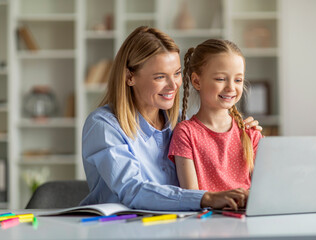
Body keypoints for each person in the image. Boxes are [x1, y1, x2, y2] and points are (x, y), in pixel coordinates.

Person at [80, 26, 262, 211]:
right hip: (117, 227)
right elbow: (132, 191)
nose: (173, 85)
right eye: (160, 77)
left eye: (176, 74)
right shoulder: (103, 125)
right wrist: (205, 198)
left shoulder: (180, 126)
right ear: (130, 77)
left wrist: (241, 132)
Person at [168, 39, 263, 202]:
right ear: (197, 81)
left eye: (238, 80)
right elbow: (190, 196)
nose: (231, 88)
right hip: (205, 221)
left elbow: (265, 191)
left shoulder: (250, 133)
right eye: (220, 79)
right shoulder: (185, 133)